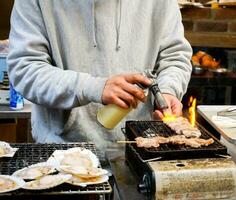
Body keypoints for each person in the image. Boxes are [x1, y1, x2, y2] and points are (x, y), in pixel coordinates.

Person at [7, 0, 192, 158]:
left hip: (141, 148)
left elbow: (174, 57)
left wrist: (168, 90)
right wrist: (92, 87)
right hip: (61, 151)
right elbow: (25, 69)